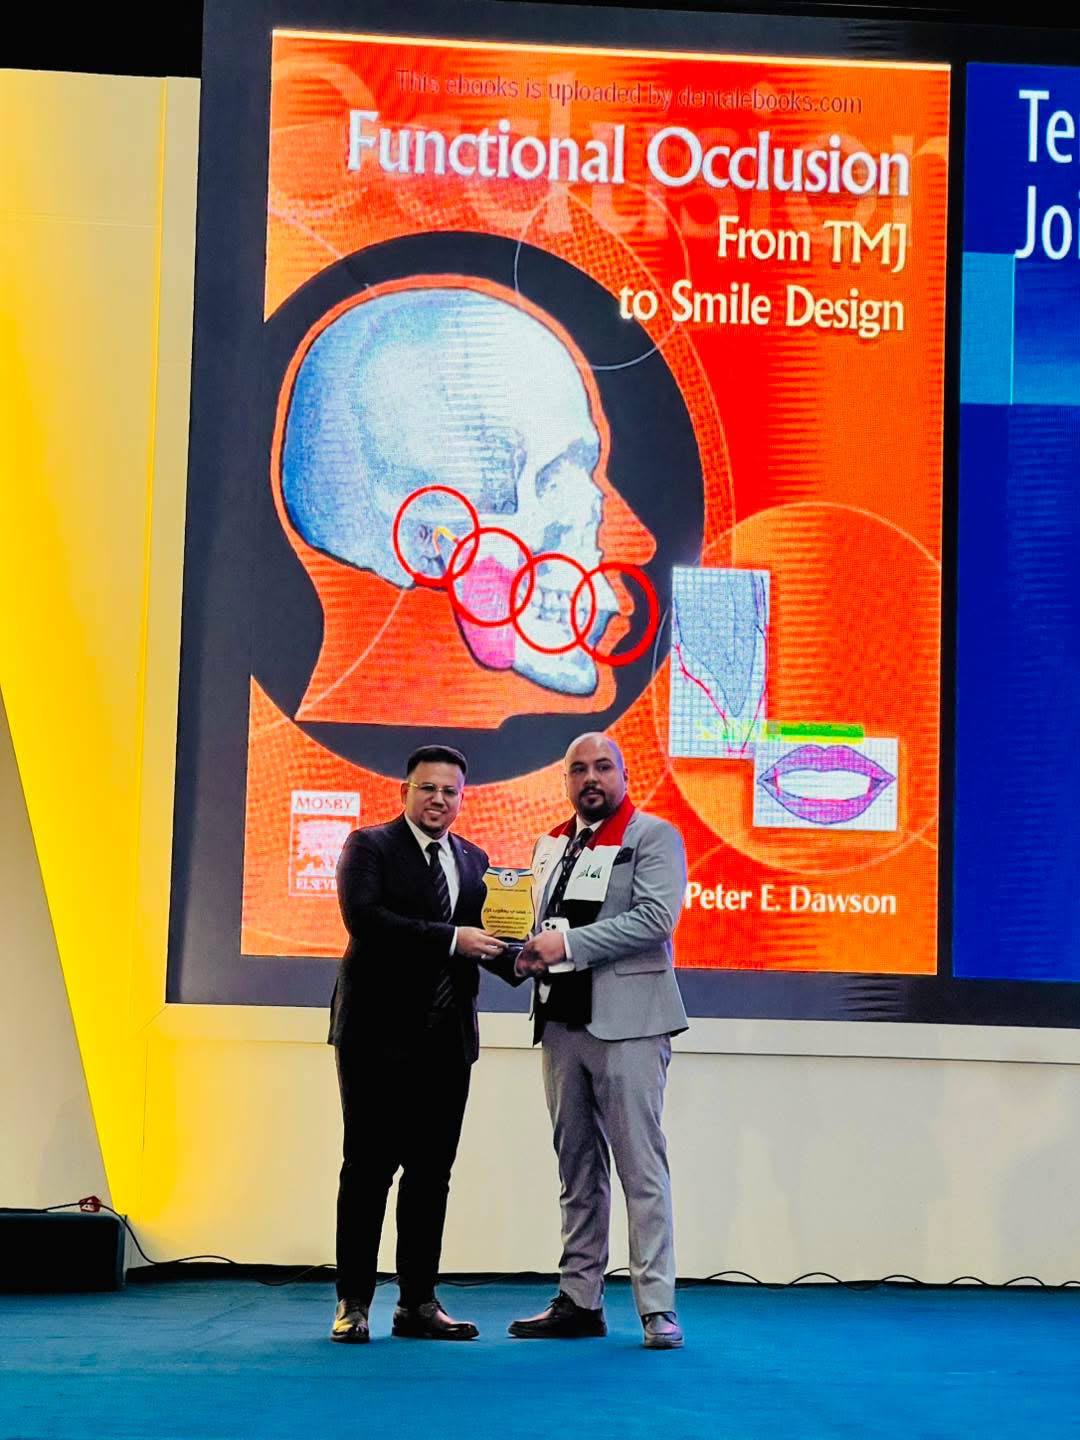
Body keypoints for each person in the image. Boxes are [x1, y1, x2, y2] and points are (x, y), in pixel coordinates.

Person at [329, 743, 516, 1343]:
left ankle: (417, 1304)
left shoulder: (475, 859)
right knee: (367, 1171)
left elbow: (486, 939)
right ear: (404, 791)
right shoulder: (369, 846)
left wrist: (532, 959)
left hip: (447, 1042)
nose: (438, 799)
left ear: (463, 798)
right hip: (375, 1039)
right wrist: (452, 939)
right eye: (427, 788)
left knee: (432, 1176)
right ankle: (353, 1303)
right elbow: (366, 920)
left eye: (449, 791)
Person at [510, 732, 689, 1350]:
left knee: (642, 1168)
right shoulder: (551, 845)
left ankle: (657, 1307)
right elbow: (536, 923)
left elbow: (655, 919)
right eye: (578, 769)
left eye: (603, 767)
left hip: (629, 1024)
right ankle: (579, 1299)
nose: (591, 778)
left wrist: (567, 945)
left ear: (624, 775)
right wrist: (514, 949)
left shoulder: (653, 836)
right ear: (565, 781)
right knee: (577, 1170)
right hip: (561, 1023)